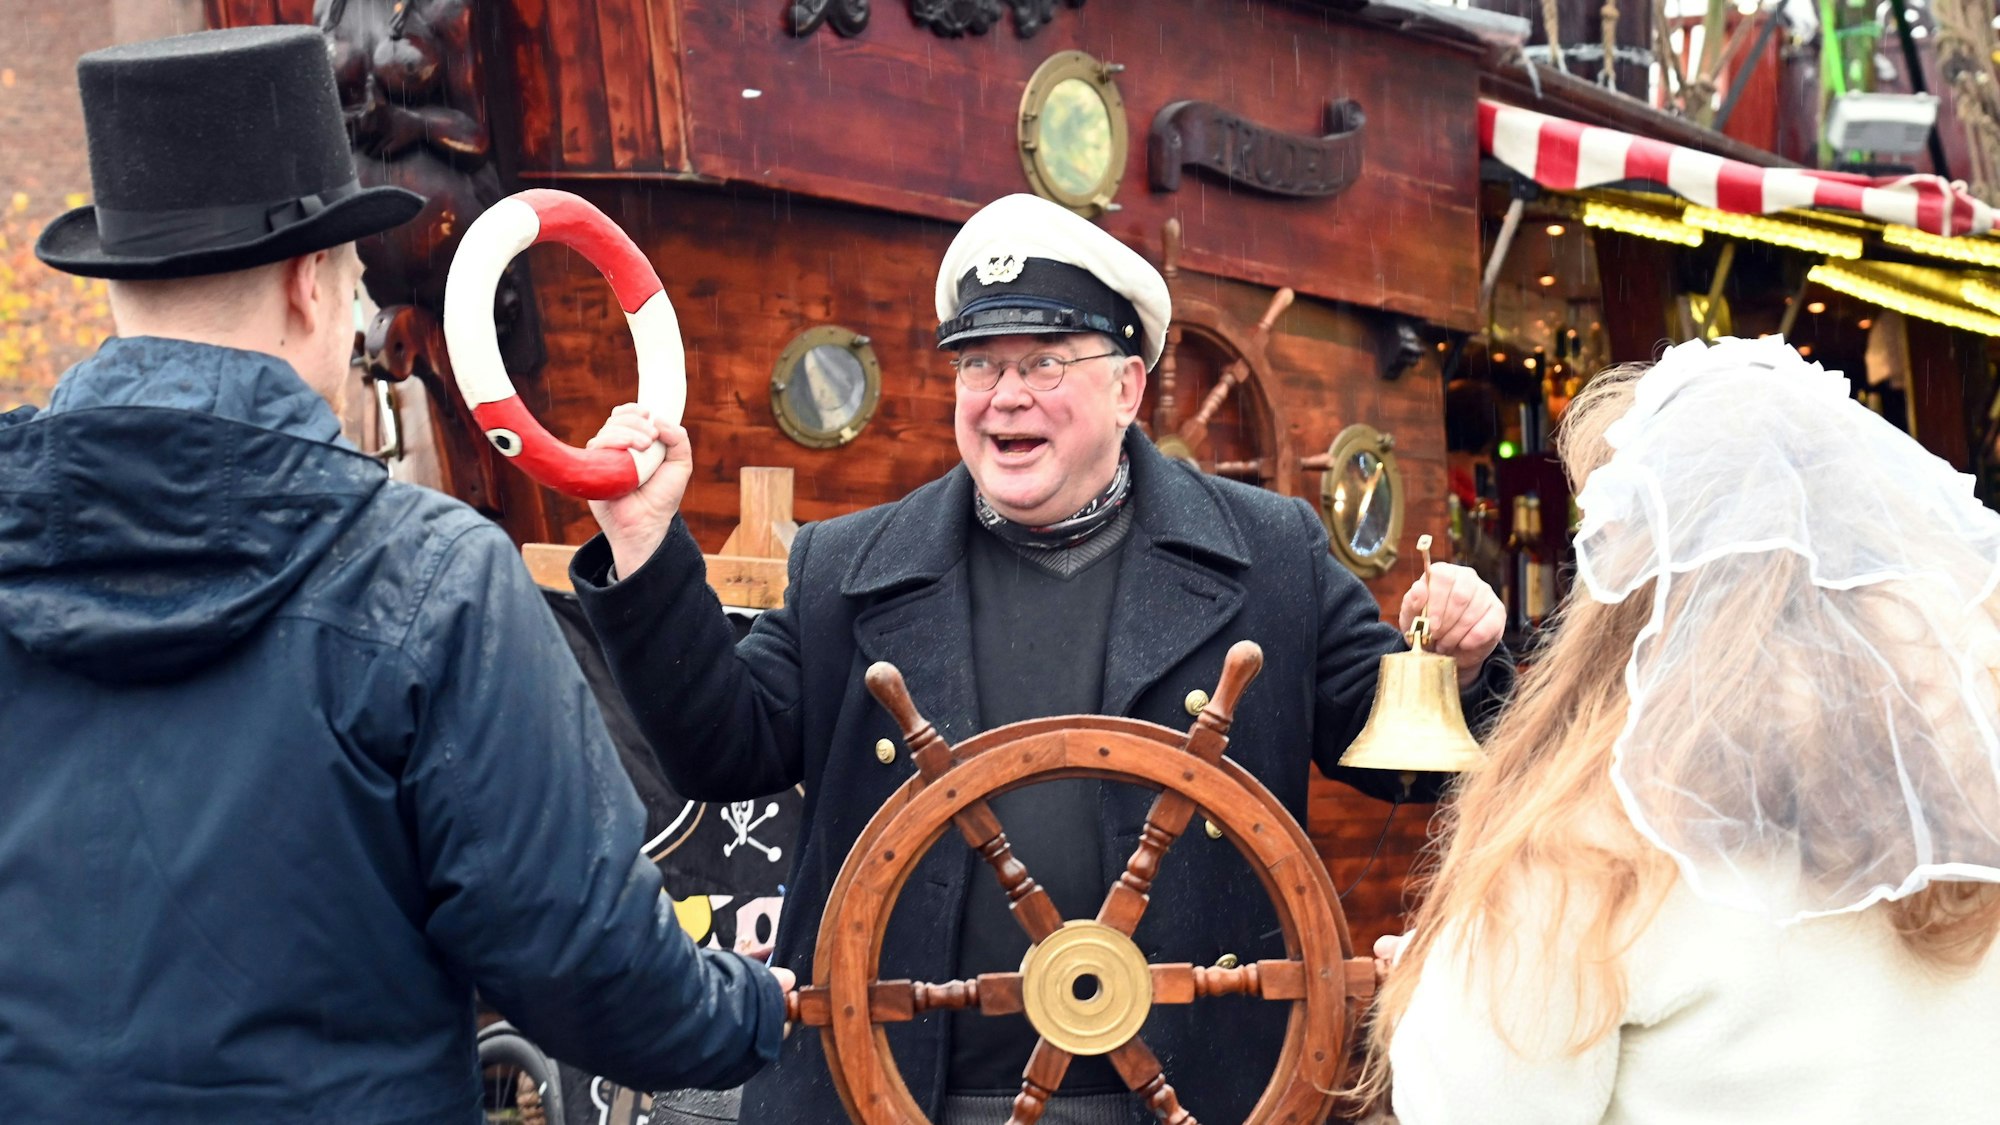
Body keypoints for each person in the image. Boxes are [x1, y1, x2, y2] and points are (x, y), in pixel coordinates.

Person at [573, 192, 1510, 1123]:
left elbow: (1409, 765)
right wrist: (646, 549)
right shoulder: (848, 569)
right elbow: (716, 747)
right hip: (889, 1094)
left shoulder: (1269, 556)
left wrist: (1460, 665)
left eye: (1045, 362)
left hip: (1192, 1099)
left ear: (1128, 387)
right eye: (979, 364)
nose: (1005, 395)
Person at [0, 26, 788, 1121]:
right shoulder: (431, 581)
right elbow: (589, 971)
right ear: (308, 286)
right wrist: (753, 1006)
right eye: (357, 281)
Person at [1363, 338, 2000, 1123]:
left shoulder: (1591, 847)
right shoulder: (1971, 802)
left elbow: (1473, 1106)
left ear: (1630, 584)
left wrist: (1430, 998)